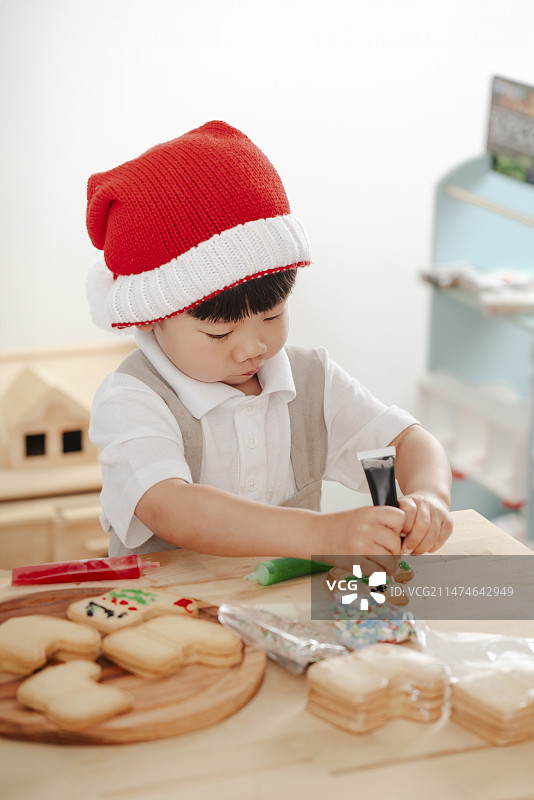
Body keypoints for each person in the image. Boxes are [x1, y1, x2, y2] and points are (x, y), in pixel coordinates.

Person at [86, 120, 452, 576]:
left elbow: (407, 440)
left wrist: (429, 497)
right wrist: (323, 534)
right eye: (220, 334)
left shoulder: (310, 379)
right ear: (153, 317)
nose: (252, 348)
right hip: (170, 607)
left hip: (287, 609)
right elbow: (170, 507)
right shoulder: (132, 398)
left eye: (273, 315)